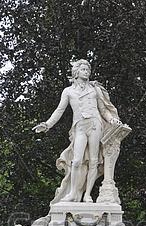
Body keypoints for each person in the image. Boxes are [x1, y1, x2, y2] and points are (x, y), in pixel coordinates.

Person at [33, 59, 120, 203]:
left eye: (88, 70)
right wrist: (47, 124)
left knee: (93, 161)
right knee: (77, 160)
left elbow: (103, 110)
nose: (87, 72)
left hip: (95, 124)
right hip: (79, 126)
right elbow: (59, 110)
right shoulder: (68, 91)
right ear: (76, 72)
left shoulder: (94, 89)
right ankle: (73, 193)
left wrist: (112, 120)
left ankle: (87, 195)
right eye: (84, 69)